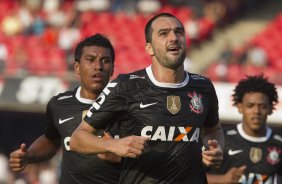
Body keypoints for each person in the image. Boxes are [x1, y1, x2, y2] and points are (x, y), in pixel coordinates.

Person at [70, 13, 224, 184]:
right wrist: (114, 145)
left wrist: (216, 149)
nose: (174, 37)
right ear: (149, 48)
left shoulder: (203, 87)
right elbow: (77, 139)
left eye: (179, 32)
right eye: (164, 33)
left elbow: (213, 130)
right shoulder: (126, 86)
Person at [9, 34, 121, 184]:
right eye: (90, 60)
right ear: (77, 67)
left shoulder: (128, 107)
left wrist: (122, 158)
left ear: (113, 69)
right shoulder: (59, 105)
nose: (98, 66)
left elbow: (156, 152)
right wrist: (29, 155)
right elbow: (51, 140)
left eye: (105, 61)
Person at [207, 74, 282, 184]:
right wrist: (222, 180)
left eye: (263, 106)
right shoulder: (220, 139)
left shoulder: (279, 143)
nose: (256, 111)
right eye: (250, 105)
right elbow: (192, 175)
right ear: (240, 107)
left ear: (271, 109)